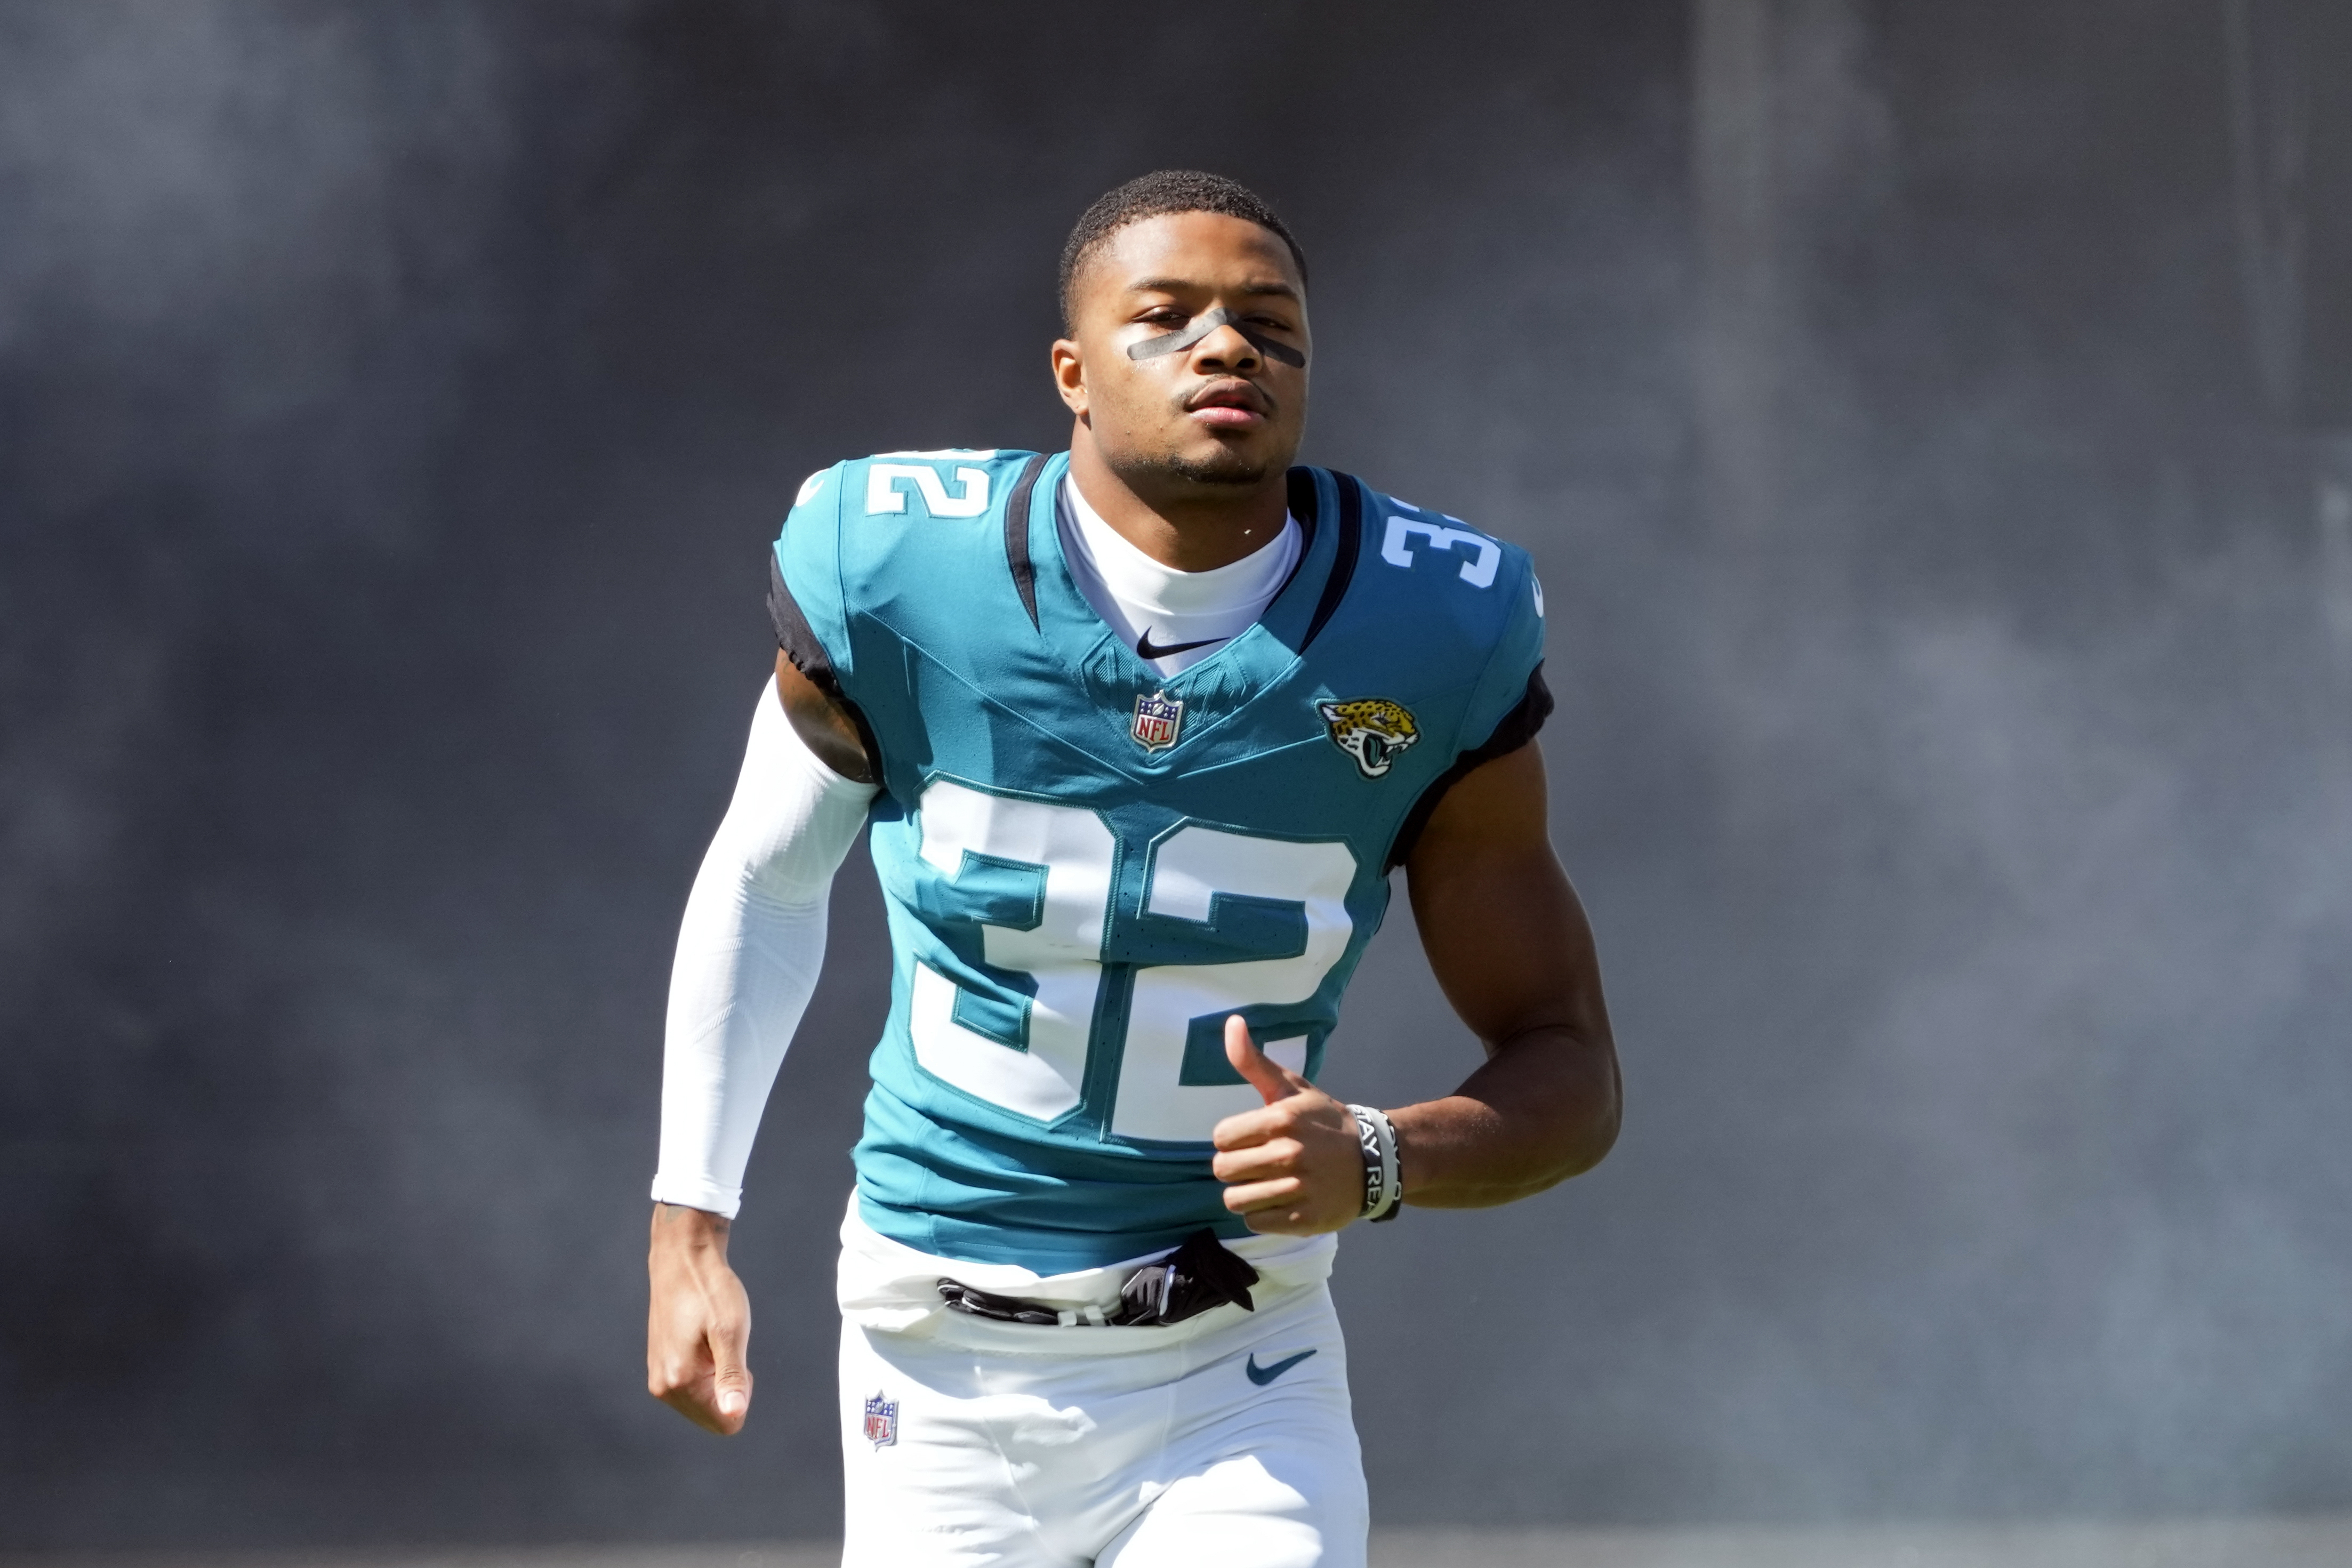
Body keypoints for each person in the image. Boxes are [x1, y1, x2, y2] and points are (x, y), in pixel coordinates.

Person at [644, 168, 1621, 1568]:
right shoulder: (900, 569)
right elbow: (762, 881)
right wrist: (691, 1232)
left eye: (1269, 324)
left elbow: (1568, 1062)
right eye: (1164, 317)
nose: (1226, 347)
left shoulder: (1430, 630)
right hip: (938, 1356)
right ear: (1073, 373)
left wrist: (1386, 1157)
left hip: (1236, 1361)